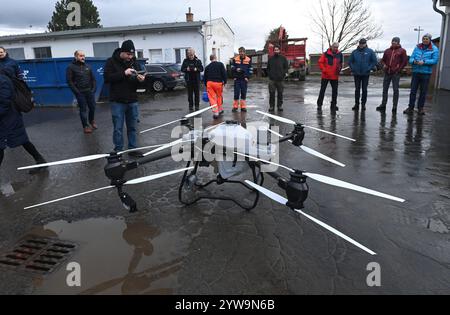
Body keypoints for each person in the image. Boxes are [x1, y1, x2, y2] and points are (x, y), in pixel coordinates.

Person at [0, 64, 47, 174]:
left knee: (2, 144)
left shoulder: (2, 79)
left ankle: (41, 161)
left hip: (8, 117)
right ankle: (40, 160)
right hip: (8, 117)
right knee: (22, 140)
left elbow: (5, 100)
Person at [104, 40, 146, 156]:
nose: (130, 57)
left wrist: (141, 80)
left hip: (132, 100)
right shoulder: (111, 62)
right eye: (128, 54)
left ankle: (132, 149)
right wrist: (124, 73)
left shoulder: (134, 63)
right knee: (118, 128)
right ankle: (118, 150)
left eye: (132, 54)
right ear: (122, 52)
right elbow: (107, 78)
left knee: (132, 127)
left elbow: (137, 83)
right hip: (117, 101)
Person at [404, 34, 439, 116]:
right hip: (416, 72)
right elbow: (411, 58)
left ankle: (420, 108)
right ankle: (410, 108)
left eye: (427, 39)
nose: (425, 40)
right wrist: (414, 61)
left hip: (426, 73)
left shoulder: (434, 49)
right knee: (413, 91)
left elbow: (434, 60)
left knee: (423, 92)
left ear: (430, 40)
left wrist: (424, 62)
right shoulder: (417, 47)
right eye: (424, 39)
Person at [66, 50, 98, 134]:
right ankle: (85, 126)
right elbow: (70, 81)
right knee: (83, 109)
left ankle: (91, 121)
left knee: (92, 107)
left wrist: (93, 89)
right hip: (80, 92)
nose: (83, 57)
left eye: (83, 55)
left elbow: (93, 79)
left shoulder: (88, 66)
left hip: (89, 91)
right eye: (80, 56)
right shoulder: (71, 67)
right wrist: (77, 92)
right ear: (76, 57)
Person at [376, 37, 408, 114]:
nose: (393, 43)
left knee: (395, 90)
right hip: (387, 72)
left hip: (396, 73)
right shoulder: (387, 51)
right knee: (385, 89)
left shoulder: (402, 51)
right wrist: (384, 65)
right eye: (393, 41)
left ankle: (394, 106)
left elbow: (404, 62)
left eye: (395, 42)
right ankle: (383, 104)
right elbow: (383, 60)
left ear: (398, 42)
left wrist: (398, 69)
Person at [348, 38, 378, 111]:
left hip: (366, 74)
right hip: (357, 74)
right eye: (360, 43)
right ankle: (356, 104)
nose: (361, 44)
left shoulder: (370, 51)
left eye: (363, 43)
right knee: (357, 89)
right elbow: (350, 62)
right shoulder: (354, 52)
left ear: (365, 43)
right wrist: (353, 68)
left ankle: (363, 104)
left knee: (364, 89)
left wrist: (369, 68)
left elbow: (374, 61)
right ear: (359, 43)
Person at [317, 42, 343, 112]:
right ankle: (319, 105)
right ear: (331, 47)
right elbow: (320, 62)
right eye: (334, 47)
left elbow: (341, 63)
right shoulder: (325, 54)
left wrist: (339, 68)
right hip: (325, 75)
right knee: (322, 90)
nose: (335, 48)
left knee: (335, 91)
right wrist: (324, 69)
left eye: (337, 47)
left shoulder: (340, 54)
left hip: (335, 76)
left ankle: (333, 105)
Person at [204, 54, 227, 119]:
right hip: (218, 83)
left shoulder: (207, 67)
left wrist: (206, 85)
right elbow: (224, 73)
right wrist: (225, 82)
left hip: (210, 83)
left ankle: (215, 112)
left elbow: (205, 77)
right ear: (216, 58)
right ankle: (220, 110)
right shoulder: (220, 64)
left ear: (210, 59)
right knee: (219, 96)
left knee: (212, 98)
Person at [267, 44, 289, 112]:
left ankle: (279, 106)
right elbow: (268, 68)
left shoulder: (283, 58)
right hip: (272, 80)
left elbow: (286, 68)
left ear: (279, 50)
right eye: (275, 50)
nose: (276, 51)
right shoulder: (270, 59)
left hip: (280, 80)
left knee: (280, 93)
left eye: (277, 50)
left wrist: (283, 74)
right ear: (273, 50)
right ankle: (271, 106)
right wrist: (270, 75)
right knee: (272, 93)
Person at [231, 47, 252, 112]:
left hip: (244, 79)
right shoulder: (235, 59)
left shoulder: (248, 59)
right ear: (239, 52)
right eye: (240, 52)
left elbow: (250, 70)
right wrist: (235, 70)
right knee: (236, 93)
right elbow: (231, 68)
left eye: (243, 52)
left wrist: (247, 77)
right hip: (237, 79)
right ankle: (235, 107)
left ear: (245, 52)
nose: (241, 53)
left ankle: (243, 107)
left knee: (243, 93)